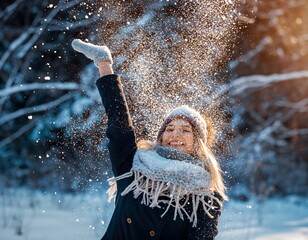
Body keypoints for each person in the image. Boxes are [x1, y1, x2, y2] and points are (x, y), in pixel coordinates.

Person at [72, 39, 228, 240]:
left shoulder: (205, 196)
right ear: (160, 135)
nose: (175, 135)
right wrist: (105, 65)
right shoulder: (134, 166)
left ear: (198, 143)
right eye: (169, 128)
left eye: (185, 130)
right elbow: (119, 125)